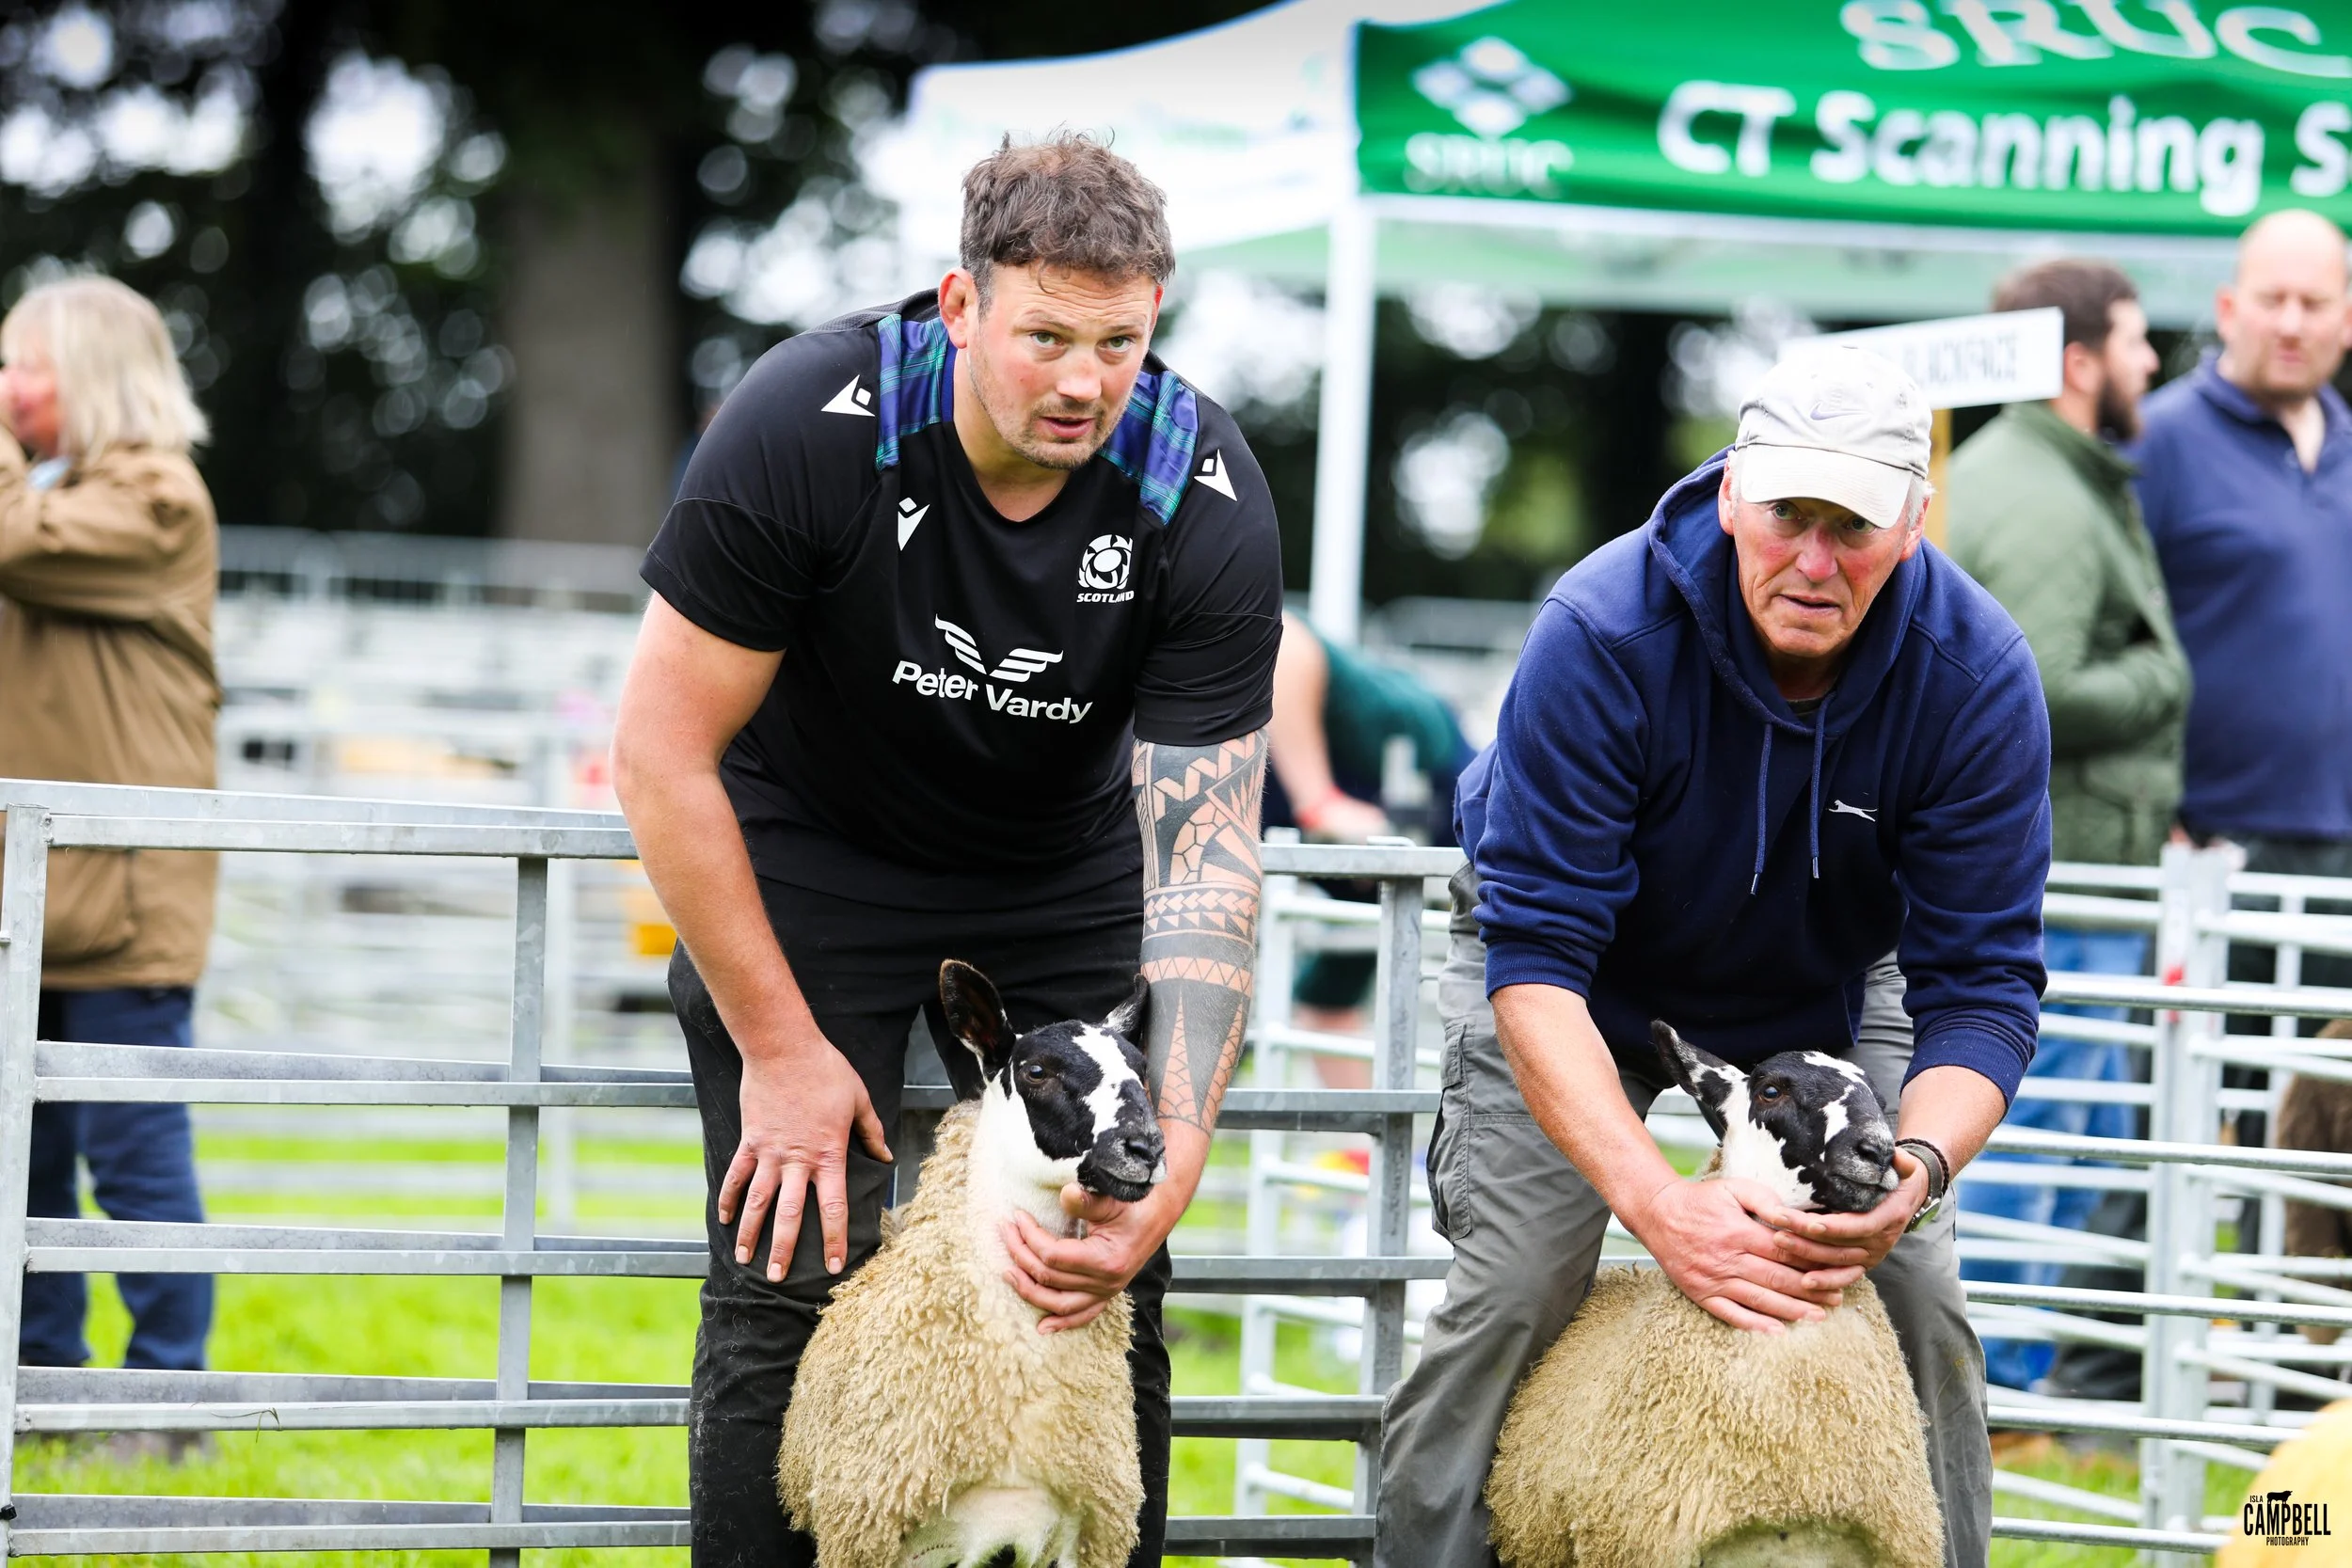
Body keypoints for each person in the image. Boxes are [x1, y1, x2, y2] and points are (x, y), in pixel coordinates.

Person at [610, 133, 1282, 1568]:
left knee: (1113, 1272)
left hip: (1060, 862)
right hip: (812, 848)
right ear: (961, 305)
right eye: (1045, 334)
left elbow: (1211, 864)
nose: (1086, 381)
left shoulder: (1200, 484)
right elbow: (658, 754)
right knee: (787, 1257)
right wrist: (785, 1053)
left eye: (1121, 341)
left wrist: (1172, 1157)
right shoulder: (811, 419)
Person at [1377, 345, 2051, 1568]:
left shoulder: (1974, 675)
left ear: (1912, 521)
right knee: (1520, 1282)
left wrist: (1916, 1164)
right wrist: (1659, 1200)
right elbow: (1537, 961)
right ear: (1735, 488)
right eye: (1788, 510)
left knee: (1924, 1300)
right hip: (1580, 973)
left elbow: (1983, 982)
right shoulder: (1602, 628)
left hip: (1832, 974)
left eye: (1852, 523)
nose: (1811, 557)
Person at [1944, 258, 2185, 1394]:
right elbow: (2028, 681)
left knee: (2052, 1126)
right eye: (2135, 340)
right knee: (2034, 1132)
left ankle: (2004, 1384)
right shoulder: (2043, 491)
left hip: (2077, 861)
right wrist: (2162, 680)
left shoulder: (2038, 472)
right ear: (2079, 359)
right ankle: (1998, 1390)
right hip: (2069, 869)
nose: (2152, 361)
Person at [0, 276, 220, 1385]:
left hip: (126, 892)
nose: (7, 387)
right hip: (34, 885)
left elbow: (11, 539)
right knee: (22, 1156)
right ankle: (42, 1374)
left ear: (88, 377)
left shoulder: (156, 500)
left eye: (21, 364)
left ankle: (166, 1387)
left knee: (130, 1153)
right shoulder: (53, 488)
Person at [2137, 210, 2352, 916]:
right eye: (2272, 299)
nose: (2291, 324)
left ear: (2346, 319)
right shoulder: (2157, 441)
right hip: (2211, 848)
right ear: (2228, 310)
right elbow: (2114, 634)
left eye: (2314, 303)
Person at [1265, 610, 1471, 1057]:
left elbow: (1282, 637)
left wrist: (1316, 798)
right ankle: (1359, 1130)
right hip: (1334, 827)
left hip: (1424, 774)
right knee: (1326, 1003)